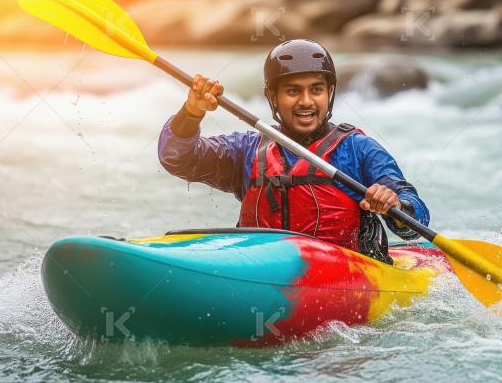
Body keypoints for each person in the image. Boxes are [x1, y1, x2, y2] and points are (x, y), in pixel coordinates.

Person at [158, 39, 429, 264]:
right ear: (273, 97)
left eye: (316, 90)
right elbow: (178, 158)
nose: (306, 101)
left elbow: (415, 215)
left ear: (330, 92)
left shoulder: (357, 149)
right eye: (293, 91)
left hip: (346, 277)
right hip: (259, 269)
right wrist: (191, 113)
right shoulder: (247, 150)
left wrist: (394, 205)